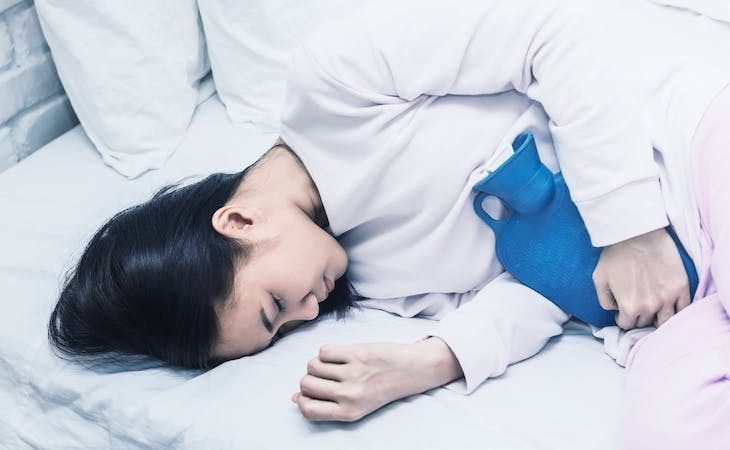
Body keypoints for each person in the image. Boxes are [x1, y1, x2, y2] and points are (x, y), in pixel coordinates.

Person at [48, 0, 729, 446]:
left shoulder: (335, 81)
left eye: (275, 306)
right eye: (284, 330)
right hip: (666, 303)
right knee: (663, 434)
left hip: (690, 152)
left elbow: (550, 34)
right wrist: (430, 361)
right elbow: (535, 280)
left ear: (239, 220)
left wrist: (630, 229)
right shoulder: (364, 278)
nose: (305, 313)